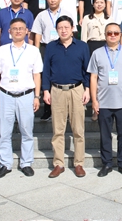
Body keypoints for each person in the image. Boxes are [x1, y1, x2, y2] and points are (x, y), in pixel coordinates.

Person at [0, 18, 43, 178]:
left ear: (27, 31)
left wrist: (37, 96)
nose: (18, 31)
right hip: (5, 95)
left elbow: (37, 75)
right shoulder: (2, 50)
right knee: (4, 132)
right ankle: (5, 164)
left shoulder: (33, 51)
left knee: (27, 131)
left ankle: (26, 163)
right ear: (9, 31)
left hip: (26, 96)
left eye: (21, 28)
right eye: (15, 28)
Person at [42, 15, 91, 178]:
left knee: (78, 129)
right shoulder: (51, 47)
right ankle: (58, 163)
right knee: (58, 130)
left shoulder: (82, 46)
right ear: (56, 30)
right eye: (60, 28)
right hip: (57, 90)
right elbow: (46, 70)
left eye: (66, 27)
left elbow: (87, 70)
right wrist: (46, 90)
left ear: (72, 29)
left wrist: (87, 89)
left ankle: (79, 163)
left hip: (77, 89)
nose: (63, 30)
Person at [89, 23, 122, 177]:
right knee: (105, 135)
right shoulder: (97, 53)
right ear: (105, 35)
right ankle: (107, 163)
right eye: (109, 33)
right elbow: (93, 77)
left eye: (116, 33)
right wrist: (94, 100)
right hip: (104, 102)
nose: (112, 35)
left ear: (120, 35)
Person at [31, 0, 63, 122]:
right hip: (46, 47)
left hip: (62, 47)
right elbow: (37, 34)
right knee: (46, 76)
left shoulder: (66, 14)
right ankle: (47, 109)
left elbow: (71, 32)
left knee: (61, 76)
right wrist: (36, 51)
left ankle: (62, 110)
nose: (52, 0)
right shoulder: (41, 15)